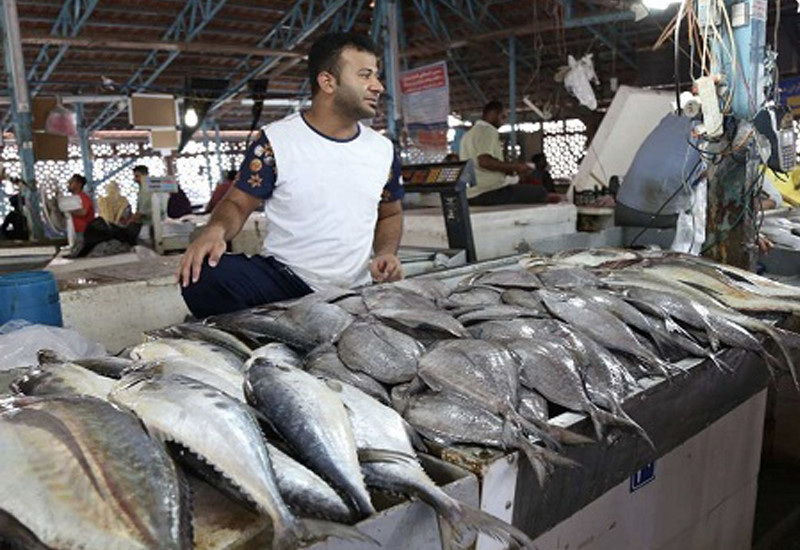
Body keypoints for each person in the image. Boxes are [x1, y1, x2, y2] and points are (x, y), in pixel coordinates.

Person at [179, 32, 404, 319]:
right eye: (365, 75)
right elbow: (236, 203)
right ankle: (275, 331)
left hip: (352, 290)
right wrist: (214, 230)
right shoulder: (276, 142)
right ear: (327, 82)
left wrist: (385, 252)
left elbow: (390, 213)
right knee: (203, 275)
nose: (378, 86)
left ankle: (293, 326)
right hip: (285, 282)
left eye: (376, 76)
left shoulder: (382, 150)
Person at [458, 100, 542, 206]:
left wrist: (512, 175)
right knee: (539, 192)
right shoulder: (489, 130)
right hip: (487, 192)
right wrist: (516, 167)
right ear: (493, 114)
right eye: (503, 117)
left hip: (470, 194)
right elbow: (484, 162)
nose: (504, 121)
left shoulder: (468, 135)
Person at [66, 174, 95, 255]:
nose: (69, 183)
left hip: (83, 231)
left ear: (79, 184)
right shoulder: (74, 198)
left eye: (72, 182)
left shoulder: (82, 197)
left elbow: (83, 212)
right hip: (76, 230)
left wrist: (68, 211)